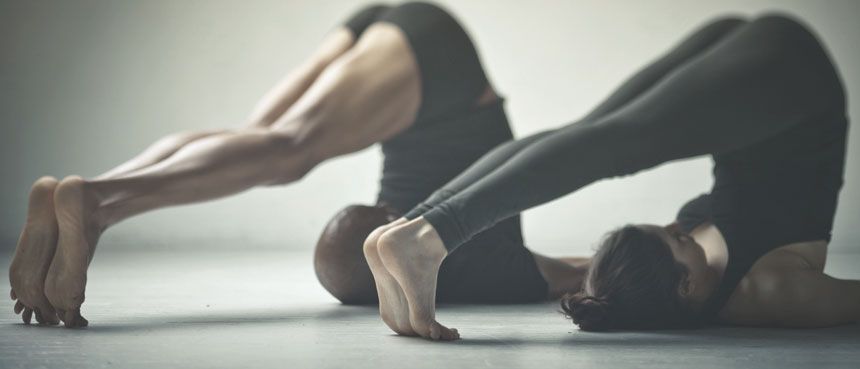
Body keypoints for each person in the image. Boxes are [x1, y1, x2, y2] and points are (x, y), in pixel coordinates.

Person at [8, 2, 586, 328]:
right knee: (285, 150)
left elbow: (580, 269)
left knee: (266, 141)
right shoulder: (477, 272)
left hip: (425, 54)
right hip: (435, 69)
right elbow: (587, 271)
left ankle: (96, 197)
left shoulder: (487, 271)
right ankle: (100, 201)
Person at [364, 13, 857, 340]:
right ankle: (430, 234)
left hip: (746, 74)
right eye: (678, 237)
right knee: (616, 142)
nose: (677, 227)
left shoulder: (654, 286)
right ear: (684, 286)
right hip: (795, 87)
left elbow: (597, 281)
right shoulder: (776, 295)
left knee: (589, 134)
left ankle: (415, 223)